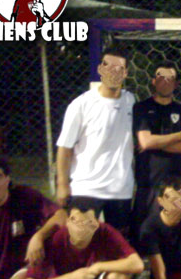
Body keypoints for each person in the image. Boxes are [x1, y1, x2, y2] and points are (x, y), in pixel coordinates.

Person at [56, 47, 135, 237]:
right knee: (80, 239)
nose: (113, 72)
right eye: (108, 67)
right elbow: (65, 147)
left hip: (120, 189)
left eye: (119, 68)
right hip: (86, 187)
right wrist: (62, 184)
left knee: (117, 243)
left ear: (125, 73)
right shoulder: (80, 105)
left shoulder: (131, 101)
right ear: (100, 69)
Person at [132, 62, 181, 233]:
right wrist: (178, 136)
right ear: (153, 81)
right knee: (144, 233)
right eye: (161, 77)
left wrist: (154, 142)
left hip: (176, 183)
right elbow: (146, 142)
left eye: (170, 78)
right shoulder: (141, 108)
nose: (165, 82)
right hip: (148, 181)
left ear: (176, 83)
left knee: (175, 232)